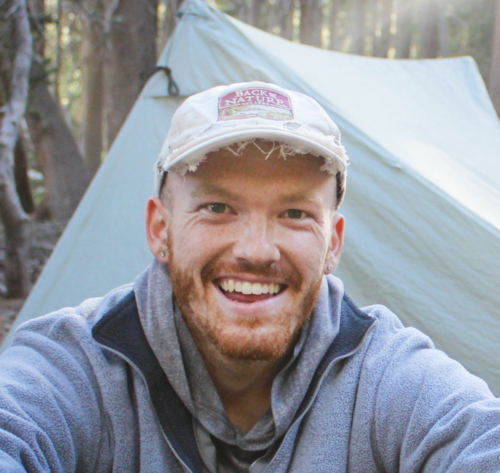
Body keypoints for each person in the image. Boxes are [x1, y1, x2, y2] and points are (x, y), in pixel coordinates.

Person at [0, 81, 499, 473]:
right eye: (218, 207)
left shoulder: (385, 377)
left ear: (334, 243)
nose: (257, 251)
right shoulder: (81, 365)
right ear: (160, 229)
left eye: (295, 214)